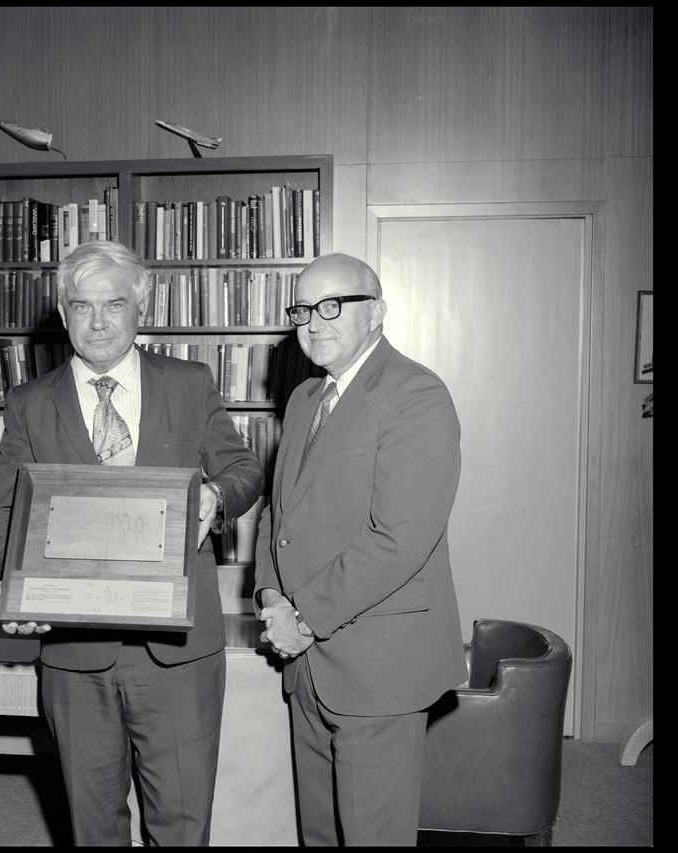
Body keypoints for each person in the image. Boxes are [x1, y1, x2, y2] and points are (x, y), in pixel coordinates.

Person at [0, 240, 264, 845]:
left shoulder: (190, 384)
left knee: (182, 822)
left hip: (178, 651)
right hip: (74, 652)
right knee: (93, 825)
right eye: (82, 306)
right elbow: (7, 510)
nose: (99, 321)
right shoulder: (29, 404)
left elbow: (245, 470)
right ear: (63, 314)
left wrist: (215, 498)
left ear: (141, 306)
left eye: (115, 304)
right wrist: (17, 589)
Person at [254, 252, 466, 846]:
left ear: (375, 312)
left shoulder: (416, 394)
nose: (313, 323)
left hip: (379, 663)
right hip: (304, 658)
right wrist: (270, 594)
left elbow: (400, 538)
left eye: (331, 306)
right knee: (319, 832)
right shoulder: (304, 400)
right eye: (302, 309)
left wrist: (302, 617)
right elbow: (279, 511)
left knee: (373, 836)